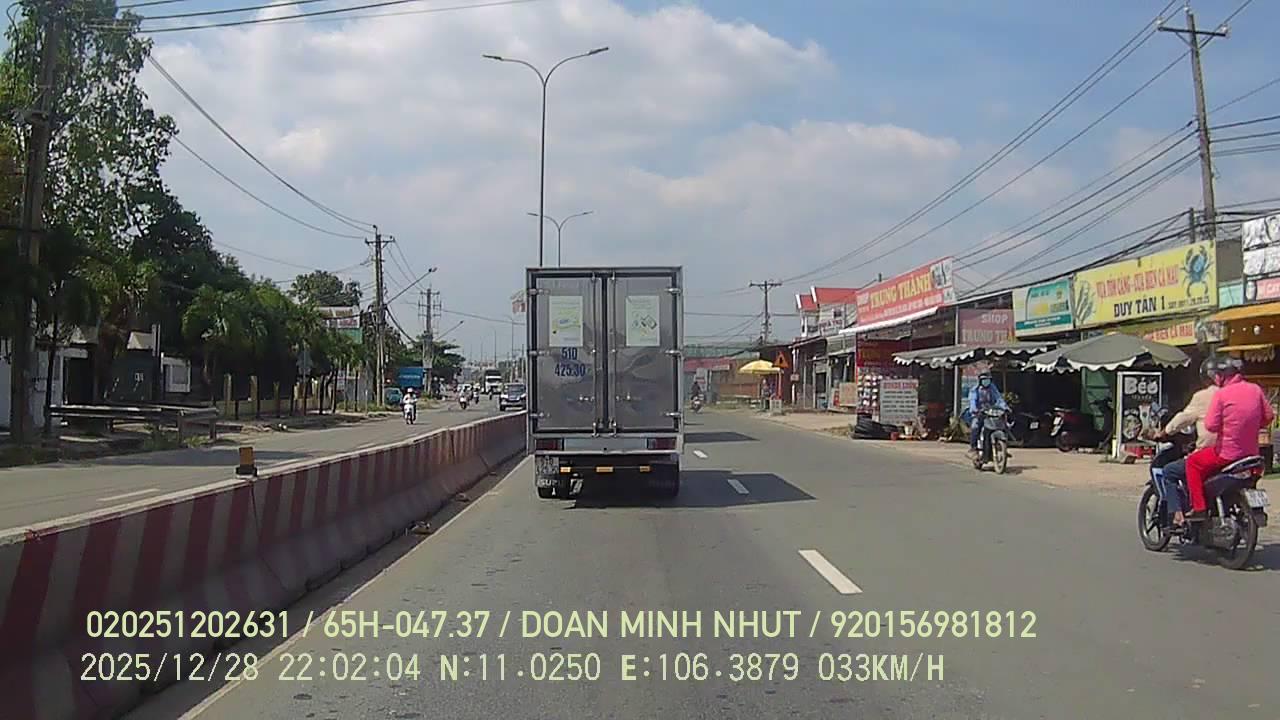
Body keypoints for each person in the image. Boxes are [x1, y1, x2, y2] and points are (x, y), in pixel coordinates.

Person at [1183, 355, 1274, 522]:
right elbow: (1268, 416)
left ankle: (1199, 508)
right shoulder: (1255, 389)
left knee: (1192, 463)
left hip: (1227, 454)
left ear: (1221, 376)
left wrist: (1228, 425)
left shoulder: (1222, 394)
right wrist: (1251, 425)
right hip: (1251, 454)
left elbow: (1210, 425)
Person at [1156, 360, 1219, 526]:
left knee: (1170, 471)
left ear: (1204, 378)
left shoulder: (1202, 397)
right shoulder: (1232, 394)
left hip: (1212, 452)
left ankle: (1178, 514)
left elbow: (1182, 419)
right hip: (1238, 452)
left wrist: (1164, 432)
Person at [967, 371, 1009, 459]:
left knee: (1004, 425)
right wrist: (974, 409)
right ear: (980, 381)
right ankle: (973, 448)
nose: (986, 382)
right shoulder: (975, 390)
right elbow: (972, 401)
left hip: (991, 412)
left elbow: (998, 399)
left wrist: (1005, 407)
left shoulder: (992, 388)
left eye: (988, 380)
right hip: (979, 413)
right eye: (984, 380)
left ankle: (1003, 448)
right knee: (975, 426)